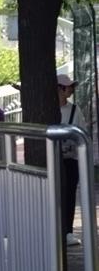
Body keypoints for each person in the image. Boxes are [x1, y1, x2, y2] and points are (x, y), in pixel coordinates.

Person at [57, 73, 85, 247]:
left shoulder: (76, 110)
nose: (71, 89)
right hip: (53, 159)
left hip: (70, 159)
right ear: (59, 89)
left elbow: (83, 133)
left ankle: (67, 231)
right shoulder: (49, 109)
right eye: (68, 86)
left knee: (69, 196)